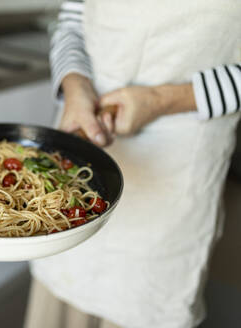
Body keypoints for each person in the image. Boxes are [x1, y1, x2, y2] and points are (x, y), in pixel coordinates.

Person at [24, 1, 241, 327]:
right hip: (82, 132)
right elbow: (72, 20)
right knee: (65, 282)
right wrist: (75, 84)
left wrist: (162, 100)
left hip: (179, 159)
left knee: (141, 302)